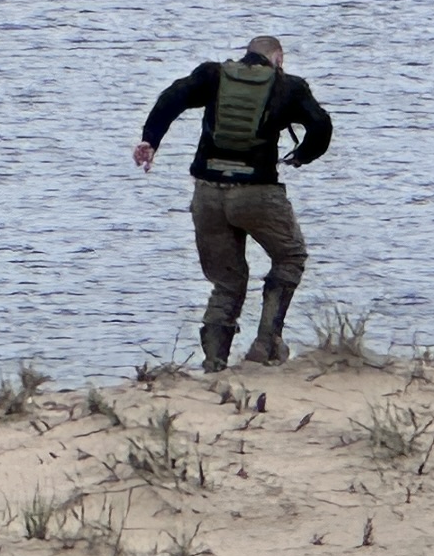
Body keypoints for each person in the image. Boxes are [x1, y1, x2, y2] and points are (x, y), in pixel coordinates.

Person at [135, 35, 332, 370]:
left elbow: (172, 97)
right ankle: (266, 344)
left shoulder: (212, 75)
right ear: (278, 59)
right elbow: (321, 126)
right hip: (258, 192)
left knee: (226, 281)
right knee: (290, 256)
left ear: (246, 54)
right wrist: (301, 156)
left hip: (207, 194)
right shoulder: (289, 86)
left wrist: (150, 140)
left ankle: (214, 363)